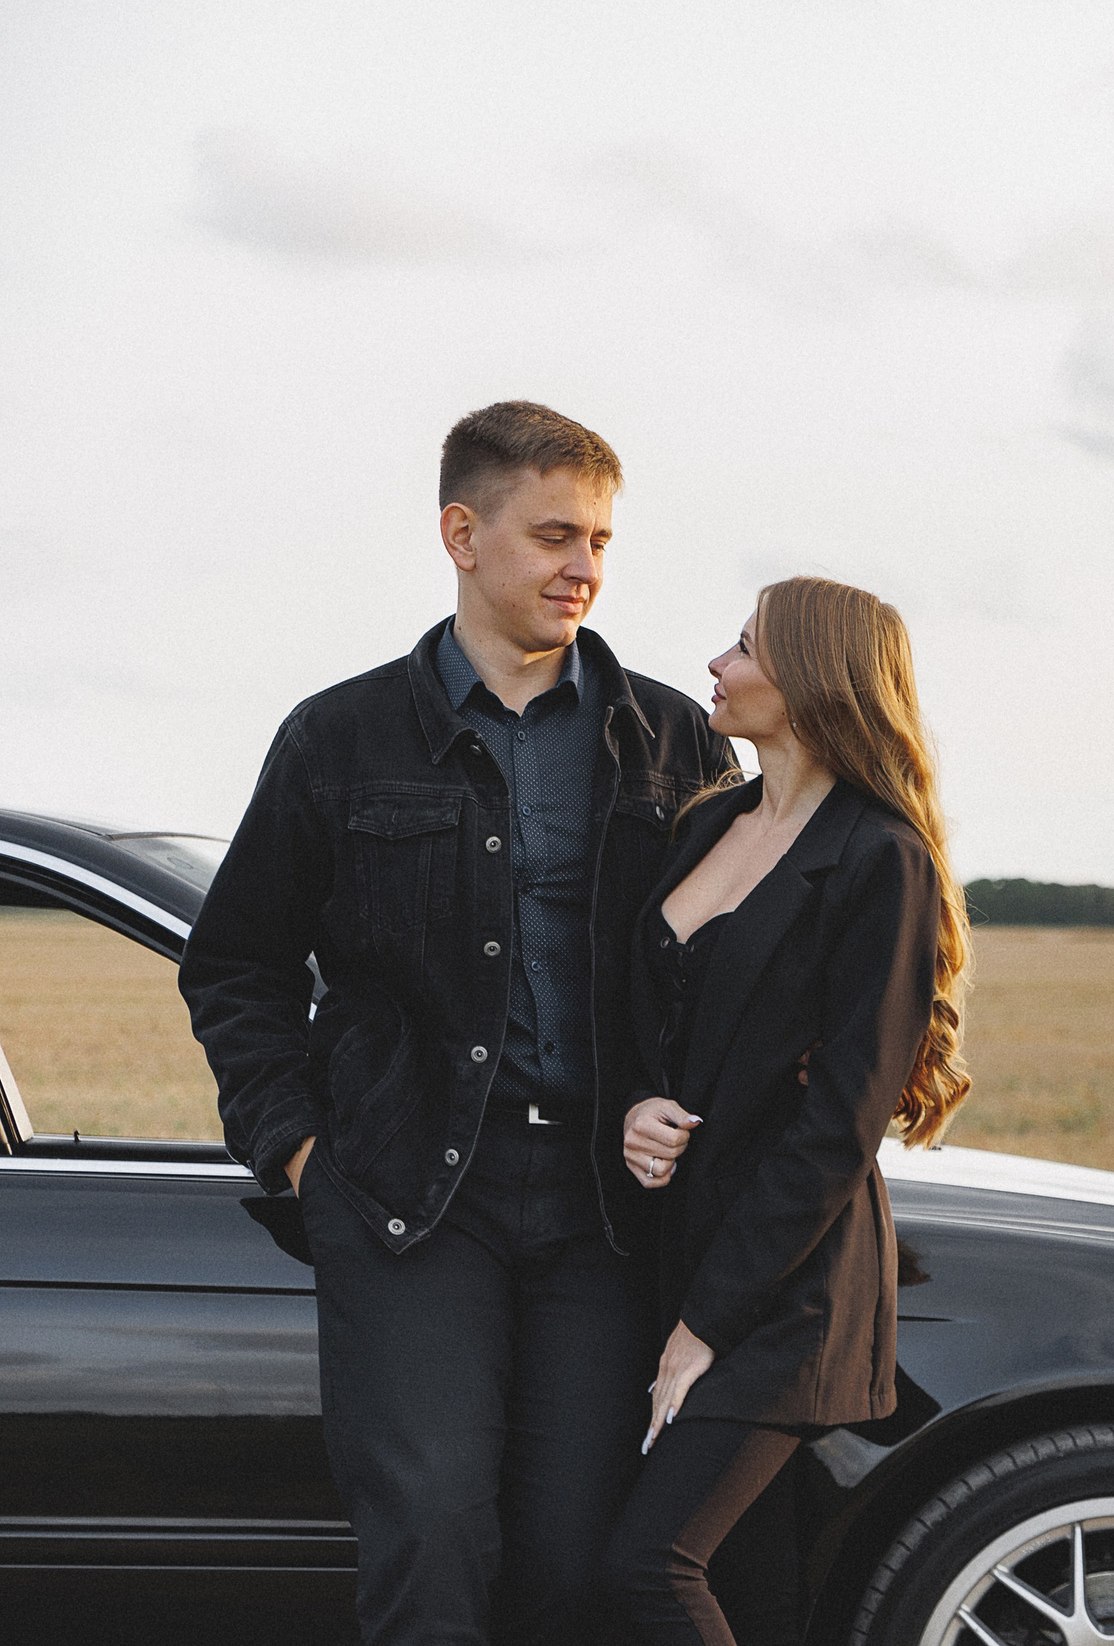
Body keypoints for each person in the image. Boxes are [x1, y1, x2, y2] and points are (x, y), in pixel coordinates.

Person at [179, 401, 736, 1645]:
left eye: (598, 539)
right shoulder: (340, 736)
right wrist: (299, 1149)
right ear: (461, 533)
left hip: (606, 1202)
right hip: (407, 1193)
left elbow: (738, 966)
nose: (582, 568)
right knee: (428, 1526)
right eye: (552, 536)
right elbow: (238, 966)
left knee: (571, 1551)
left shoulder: (671, 738)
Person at [603, 576, 972, 1646]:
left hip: (784, 1284)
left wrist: (705, 1325)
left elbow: (841, 1123)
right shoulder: (708, 820)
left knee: (646, 1568)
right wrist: (636, 1106)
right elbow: (646, 1022)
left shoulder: (879, 859)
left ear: (812, 680)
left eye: (744, 647)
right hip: (668, 1245)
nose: (716, 665)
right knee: (754, 1591)